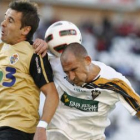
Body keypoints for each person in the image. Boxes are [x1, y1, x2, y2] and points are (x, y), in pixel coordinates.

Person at [0, 1, 59, 140]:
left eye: (10, 21)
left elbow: (52, 94)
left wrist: (42, 127)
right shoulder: (2, 48)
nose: (3, 23)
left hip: (16, 128)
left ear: (25, 30)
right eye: (4, 18)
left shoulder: (34, 52)